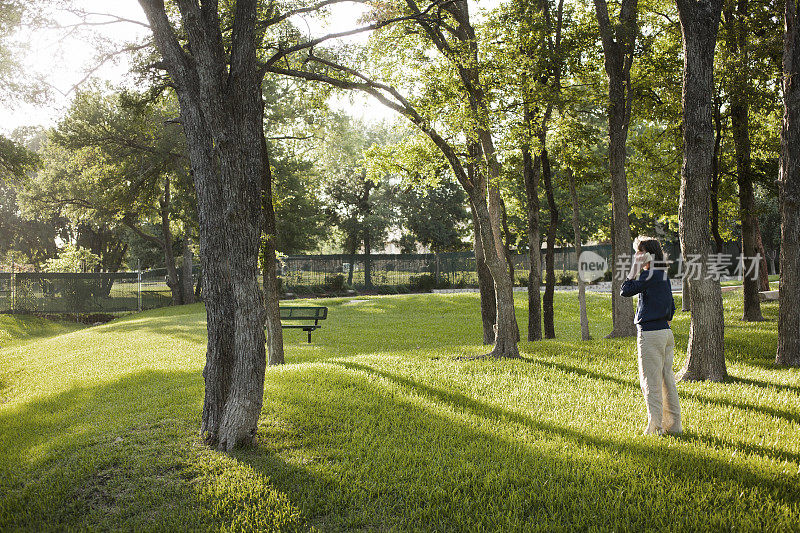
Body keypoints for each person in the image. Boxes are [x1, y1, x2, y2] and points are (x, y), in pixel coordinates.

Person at [620, 236, 682, 436]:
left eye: (640, 251)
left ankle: (655, 428)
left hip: (651, 334)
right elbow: (671, 305)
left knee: (651, 382)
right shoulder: (662, 275)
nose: (637, 255)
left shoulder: (649, 275)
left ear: (649, 254)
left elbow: (626, 290)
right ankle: (674, 426)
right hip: (665, 333)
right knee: (667, 380)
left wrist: (633, 269)